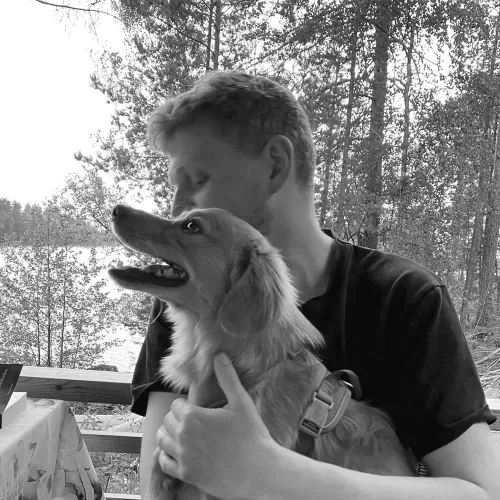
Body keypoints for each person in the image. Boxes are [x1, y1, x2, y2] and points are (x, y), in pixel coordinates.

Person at [131, 70, 500, 499]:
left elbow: (481, 491)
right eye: (175, 186)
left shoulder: (403, 297)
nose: (177, 208)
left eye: (198, 179)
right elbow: (156, 485)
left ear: (275, 165)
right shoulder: (185, 298)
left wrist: (270, 474)